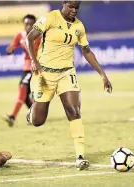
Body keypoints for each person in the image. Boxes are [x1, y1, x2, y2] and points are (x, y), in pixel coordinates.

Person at [25, 1, 113, 170]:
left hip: (67, 73)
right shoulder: (50, 18)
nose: (74, 10)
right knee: (38, 121)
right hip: (44, 74)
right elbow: (30, 37)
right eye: (71, 6)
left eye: (77, 7)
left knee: (74, 110)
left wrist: (102, 74)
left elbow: (86, 51)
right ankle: (32, 112)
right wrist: (34, 62)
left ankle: (80, 156)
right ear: (64, 3)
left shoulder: (79, 26)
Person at [3, 14, 42, 127]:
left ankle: (12, 117)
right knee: (24, 96)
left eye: (31, 24)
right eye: (26, 24)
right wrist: (10, 50)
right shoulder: (20, 36)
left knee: (23, 89)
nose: (28, 26)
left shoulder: (39, 36)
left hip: (35, 68)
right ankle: (36, 114)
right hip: (26, 67)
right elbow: (12, 47)